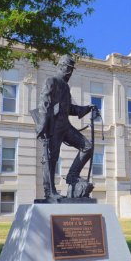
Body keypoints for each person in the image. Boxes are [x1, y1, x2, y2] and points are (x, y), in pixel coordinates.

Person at [34, 55, 98, 202]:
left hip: (65, 126)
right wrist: (42, 126)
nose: (70, 73)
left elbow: (69, 108)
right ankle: (50, 192)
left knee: (87, 146)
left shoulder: (65, 87)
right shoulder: (52, 81)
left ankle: (72, 175)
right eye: (68, 69)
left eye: (71, 70)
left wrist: (87, 108)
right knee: (51, 159)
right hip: (53, 127)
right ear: (61, 66)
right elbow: (44, 103)